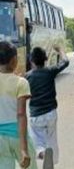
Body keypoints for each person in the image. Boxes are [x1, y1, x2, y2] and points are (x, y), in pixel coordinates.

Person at [26, 46, 69, 167]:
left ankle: (42, 153)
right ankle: (50, 159)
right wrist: (60, 50)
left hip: (36, 115)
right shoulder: (50, 71)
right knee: (51, 140)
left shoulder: (27, 77)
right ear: (45, 59)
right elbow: (65, 62)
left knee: (36, 141)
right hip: (51, 113)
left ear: (31, 61)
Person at [0, 41, 37, 169]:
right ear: (14, 60)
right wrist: (24, 149)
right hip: (17, 135)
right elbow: (21, 115)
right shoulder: (21, 83)